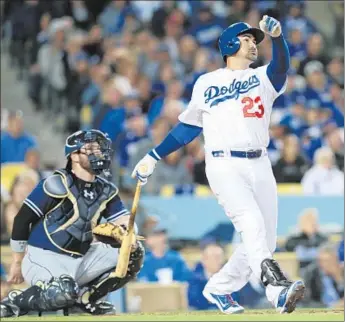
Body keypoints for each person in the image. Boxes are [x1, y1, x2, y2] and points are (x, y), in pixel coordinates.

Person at [132, 16, 305, 314]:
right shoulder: (207, 82)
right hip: (224, 163)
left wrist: (277, 38)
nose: (253, 42)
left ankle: (219, 288)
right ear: (229, 44)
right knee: (250, 223)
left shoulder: (263, 77)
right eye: (247, 38)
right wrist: (153, 156)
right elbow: (188, 128)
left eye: (254, 39)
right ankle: (276, 289)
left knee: (266, 238)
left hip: (260, 162)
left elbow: (281, 67)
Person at [0, 130, 145, 317]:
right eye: (91, 148)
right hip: (44, 257)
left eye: (99, 149)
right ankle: (15, 302)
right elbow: (22, 219)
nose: (98, 153)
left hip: (80, 257)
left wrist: (128, 232)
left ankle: (87, 299)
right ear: (74, 156)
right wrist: (17, 261)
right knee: (64, 292)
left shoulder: (106, 189)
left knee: (134, 251)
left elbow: (125, 220)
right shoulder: (55, 183)